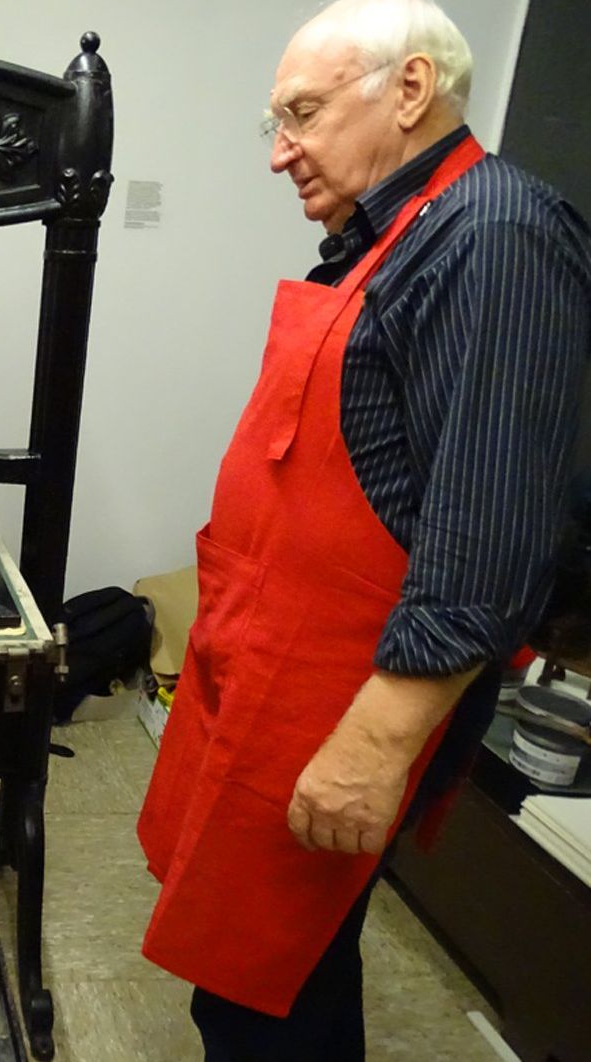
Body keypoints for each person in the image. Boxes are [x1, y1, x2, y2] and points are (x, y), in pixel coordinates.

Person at [135, 1, 591, 1058]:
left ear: (411, 89)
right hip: (268, 665)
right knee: (257, 969)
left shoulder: (495, 237)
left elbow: (489, 536)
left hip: (344, 696)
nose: (279, 151)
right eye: (275, 124)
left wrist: (376, 747)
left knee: (262, 988)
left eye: (299, 114)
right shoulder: (388, 235)